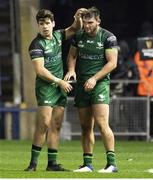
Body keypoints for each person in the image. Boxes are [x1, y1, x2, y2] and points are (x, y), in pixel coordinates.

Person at [25, 8, 87, 172]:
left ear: (53, 23)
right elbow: (40, 70)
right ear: (38, 26)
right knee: (44, 124)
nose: (44, 26)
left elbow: (75, 28)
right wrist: (59, 81)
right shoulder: (36, 44)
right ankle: (33, 164)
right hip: (46, 87)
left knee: (56, 125)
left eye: (47, 23)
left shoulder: (59, 36)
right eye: (41, 24)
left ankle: (52, 164)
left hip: (60, 87)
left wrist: (77, 17)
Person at [64, 7, 118, 173]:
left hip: (99, 84)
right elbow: (72, 56)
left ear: (98, 21)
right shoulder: (79, 35)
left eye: (90, 23)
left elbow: (112, 63)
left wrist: (94, 78)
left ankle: (111, 164)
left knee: (102, 123)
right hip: (81, 85)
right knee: (86, 127)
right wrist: (71, 70)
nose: (87, 26)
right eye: (85, 23)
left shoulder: (108, 37)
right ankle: (87, 164)